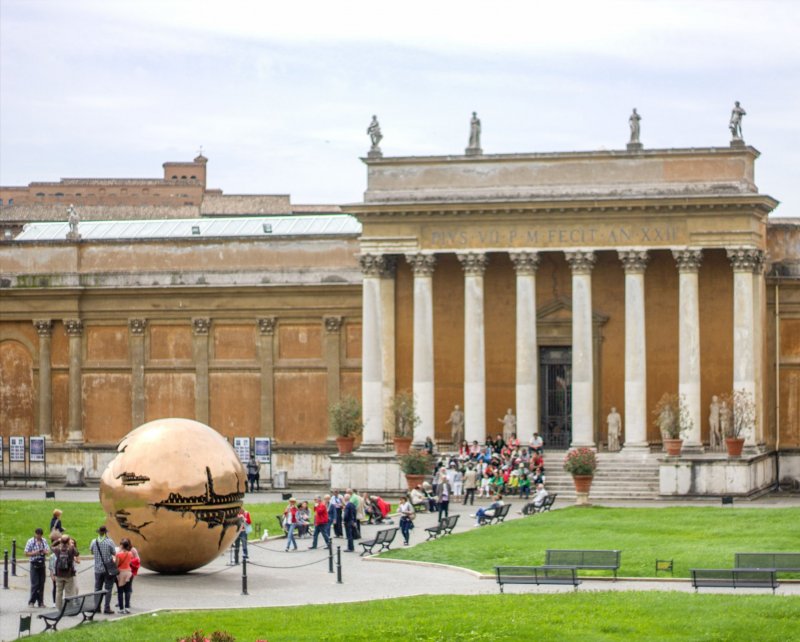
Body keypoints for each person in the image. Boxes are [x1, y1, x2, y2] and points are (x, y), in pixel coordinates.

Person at [90, 525, 117, 614]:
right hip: (107, 569)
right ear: (105, 532)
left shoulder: (94, 541)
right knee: (108, 588)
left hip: (97, 569)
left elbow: (91, 551)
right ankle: (107, 607)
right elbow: (114, 552)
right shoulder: (109, 542)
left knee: (97, 588)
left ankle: (97, 607)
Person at [25, 527, 50, 608]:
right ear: (35, 534)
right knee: (35, 583)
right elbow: (26, 553)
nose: (39, 536)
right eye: (37, 534)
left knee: (41, 583)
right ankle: (31, 601)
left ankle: (41, 602)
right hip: (34, 563)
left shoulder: (44, 541)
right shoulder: (30, 541)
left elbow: (48, 551)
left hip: (42, 563)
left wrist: (44, 551)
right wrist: (35, 552)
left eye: (40, 535)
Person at [52, 534, 79, 610]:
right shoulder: (71, 549)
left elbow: (51, 547)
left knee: (58, 592)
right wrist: (71, 544)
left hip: (59, 574)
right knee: (69, 592)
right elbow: (77, 553)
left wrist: (58, 541)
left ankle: (59, 608)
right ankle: (68, 608)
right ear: (68, 541)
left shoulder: (57, 549)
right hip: (69, 574)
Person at [114, 538, 134, 614]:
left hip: (121, 573)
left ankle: (121, 608)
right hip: (129, 572)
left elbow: (117, 564)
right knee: (128, 591)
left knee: (120, 591)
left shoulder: (118, 554)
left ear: (122, 545)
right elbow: (130, 561)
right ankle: (127, 607)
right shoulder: (130, 553)